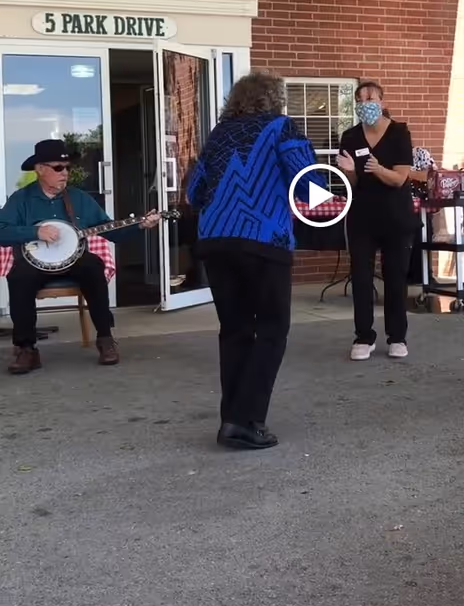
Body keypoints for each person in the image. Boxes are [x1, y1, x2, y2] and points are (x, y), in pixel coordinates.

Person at [187, 72, 322, 451]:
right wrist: (335, 181)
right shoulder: (281, 127)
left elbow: (194, 192)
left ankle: (232, 417)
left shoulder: (218, 134)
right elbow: (309, 186)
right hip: (264, 239)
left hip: (215, 241)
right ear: (274, 98)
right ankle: (245, 421)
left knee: (234, 331)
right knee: (272, 329)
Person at [0, 140, 160, 373]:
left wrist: (140, 225)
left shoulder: (79, 198)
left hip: (74, 260)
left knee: (94, 266)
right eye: (58, 168)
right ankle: (27, 349)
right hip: (35, 263)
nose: (65, 173)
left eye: (67, 168)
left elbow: (110, 230)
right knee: (18, 277)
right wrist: (34, 231)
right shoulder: (21, 199)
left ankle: (105, 339)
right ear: (40, 169)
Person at [337, 81, 416, 361]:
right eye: (360, 99)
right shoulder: (350, 137)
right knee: (361, 277)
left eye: (370, 98)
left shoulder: (399, 133)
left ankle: (397, 337)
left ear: (382, 101)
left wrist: (378, 168)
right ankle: (363, 337)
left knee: (395, 277)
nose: (365, 103)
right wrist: (348, 172)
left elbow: (399, 178)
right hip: (362, 218)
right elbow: (354, 184)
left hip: (396, 217)